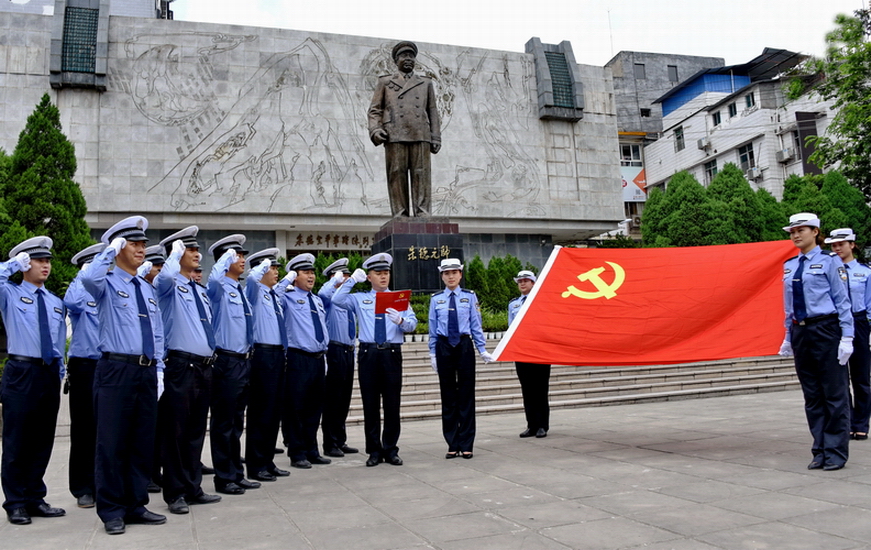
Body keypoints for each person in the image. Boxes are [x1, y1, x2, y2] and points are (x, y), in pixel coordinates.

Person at [80, 216, 167, 534]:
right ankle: (112, 510)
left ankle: (135, 503)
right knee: (112, 442)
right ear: (118, 246)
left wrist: (159, 368)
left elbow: (156, 332)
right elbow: (87, 279)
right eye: (134, 243)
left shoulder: (145, 287)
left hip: (145, 371)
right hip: (116, 369)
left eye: (143, 243)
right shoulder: (105, 281)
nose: (142, 248)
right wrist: (107, 251)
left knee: (141, 442)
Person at [0, 236, 67, 526]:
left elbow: (56, 339)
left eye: (48, 260)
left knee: (42, 438)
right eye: (39, 260)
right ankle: (15, 502)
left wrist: (60, 367)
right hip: (21, 370)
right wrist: (12, 265)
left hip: (47, 372)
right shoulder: (11, 293)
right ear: (26, 264)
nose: (45, 265)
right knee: (17, 439)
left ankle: (34, 497)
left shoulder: (54, 302)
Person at [155, 226, 222, 514]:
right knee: (176, 433)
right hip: (181, 365)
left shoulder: (199, 290)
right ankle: (175, 492)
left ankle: (193, 486)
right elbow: (165, 276)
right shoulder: (167, 285)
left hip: (204, 367)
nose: (196, 254)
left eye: (195, 250)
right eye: (190, 250)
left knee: (195, 431)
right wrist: (175, 252)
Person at [779, 213, 854, 471]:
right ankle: (819, 449)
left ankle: (835, 451)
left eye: (801, 230)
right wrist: (788, 337)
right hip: (801, 331)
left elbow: (843, 300)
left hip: (826, 328)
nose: (796, 235)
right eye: (792, 231)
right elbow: (788, 306)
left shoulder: (830, 262)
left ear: (815, 231)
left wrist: (847, 337)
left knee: (834, 394)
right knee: (812, 395)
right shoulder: (789, 265)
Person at [332, 253, 417, 467]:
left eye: (386, 273)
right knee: (370, 404)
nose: (383, 277)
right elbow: (337, 299)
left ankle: (391, 449)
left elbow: (413, 324)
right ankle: (374, 450)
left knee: (391, 404)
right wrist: (351, 280)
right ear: (369, 277)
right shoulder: (360, 299)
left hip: (391, 353)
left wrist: (402, 320)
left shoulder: (399, 298)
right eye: (378, 273)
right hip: (369, 354)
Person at [206, 235, 260, 495]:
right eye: (237, 256)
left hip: (244, 361)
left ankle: (236, 473)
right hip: (226, 360)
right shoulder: (218, 288)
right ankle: (223, 477)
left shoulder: (240, 290)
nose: (242, 260)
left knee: (237, 421)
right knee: (223, 422)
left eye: (242, 255)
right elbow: (214, 280)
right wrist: (223, 260)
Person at [428, 258, 494, 459]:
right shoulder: (436, 299)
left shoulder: (469, 297)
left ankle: (467, 443)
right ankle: (452, 442)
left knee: (466, 395)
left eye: (454, 273)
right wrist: (432, 353)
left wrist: (481, 349)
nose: (451, 277)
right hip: (444, 346)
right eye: (447, 274)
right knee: (448, 396)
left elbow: (476, 324)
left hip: (464, 345)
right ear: (442, 276)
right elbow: (432, 327)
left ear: (460, 275)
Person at [368, 40, 441, 217]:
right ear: (396, 60)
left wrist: (436, 136)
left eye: (411, 56)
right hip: (394, 134)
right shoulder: (385, 82)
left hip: (420, 134)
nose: (408, 59)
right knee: (397, 174)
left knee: (421, 174)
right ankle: (400, 212)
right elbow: (375, 110)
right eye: (404, 56)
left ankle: (422, 211)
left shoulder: (425, 83)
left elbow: (432, 111)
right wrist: (375, 130)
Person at [64, 243, 106, 510]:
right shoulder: (78, 288)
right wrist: (84, 275)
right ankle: (82, 487)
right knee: (84, 429)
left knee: (107, 429)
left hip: (108, 365)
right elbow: (72, 303)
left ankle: (103, 484)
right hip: (84, 366)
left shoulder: (107, 290)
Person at [243, 248, 291, 482]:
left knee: (273, 412)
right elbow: (251, 279)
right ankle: (255, 464)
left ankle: (268, 460)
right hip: (262, 354)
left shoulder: (273, 295)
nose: (276, 271)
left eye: (276, 268)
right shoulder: (253, 291)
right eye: (271, 267)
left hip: (277, 355)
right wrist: (259, 267)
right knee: (260, 411)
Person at [281, 253, 332, 469]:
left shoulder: (317, 300)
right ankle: (297, 452)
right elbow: (269, 294)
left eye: (312, 272)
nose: (311, 276)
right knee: (296, 408)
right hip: (298, 358)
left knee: (314, 408)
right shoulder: (287, 297)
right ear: (295, 276)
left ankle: (312, 449)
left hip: (318, 359)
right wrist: (285, 281)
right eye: (305, 273)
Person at [825, 228, 871, 441]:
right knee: (839, 379)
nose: (837, 249)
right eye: (833, 245)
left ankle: (861, 423)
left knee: (861, 378)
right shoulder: (828, 270)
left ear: (852, 245)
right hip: (835, 324)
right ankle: (847, 422)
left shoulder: (865, 271)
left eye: (841, 244)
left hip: (859, 321)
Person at [318, 258, 360, 458]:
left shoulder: (347, 301)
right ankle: (330, 443)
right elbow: (323, 293)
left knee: (344, 399)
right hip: (334, 350)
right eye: (342, 276)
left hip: (349, 351)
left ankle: (340, 439)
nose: (347, 279)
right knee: (333, 399)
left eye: (347, 275)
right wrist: (334, 282)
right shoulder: (328, 298)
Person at [508, 270, 551, 439]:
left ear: (533, 283)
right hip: (522, 351)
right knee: (527, 389)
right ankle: (531, 424)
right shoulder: (514, 304)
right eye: (519, 281)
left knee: (540, 389)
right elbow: (511, 327)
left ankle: (542, 425)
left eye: (526, 281)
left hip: (540, 350)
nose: (522, 284)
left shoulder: (542, 302)